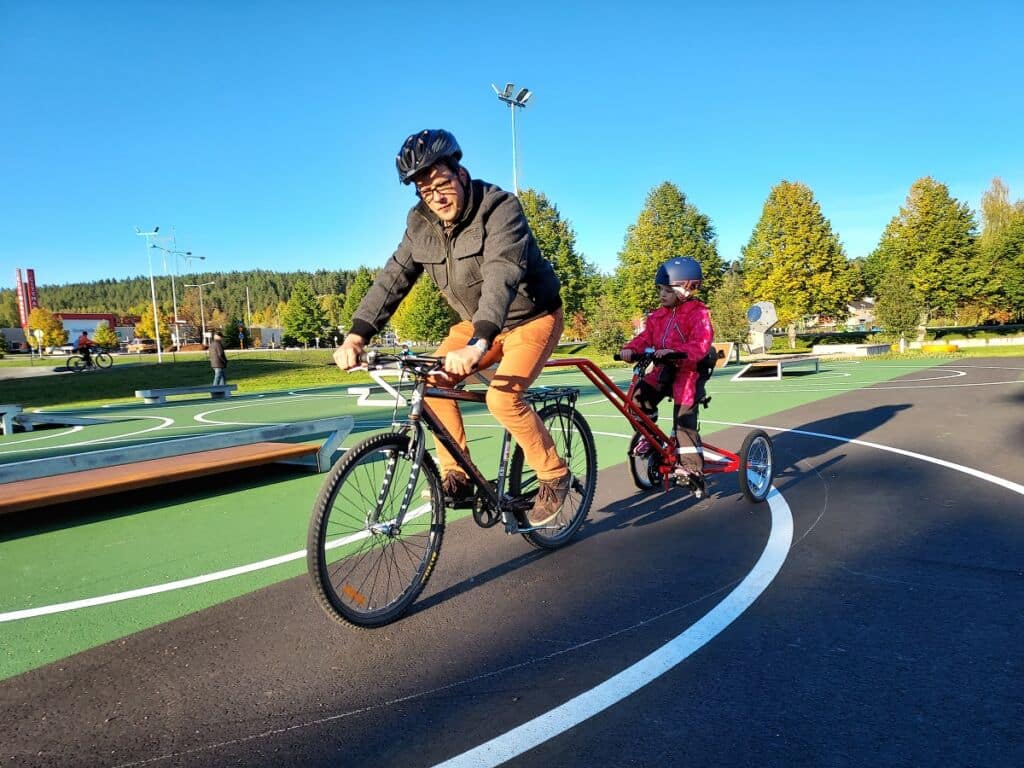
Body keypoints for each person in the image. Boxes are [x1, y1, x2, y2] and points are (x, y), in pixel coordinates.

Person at [334, 128, 570, 526]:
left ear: (460, 174)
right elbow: (393, 278)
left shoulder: (500, 208)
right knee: (432, 383)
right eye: (426, 192)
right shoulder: (419, 224)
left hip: (530, 318)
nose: (437, 197)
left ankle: (554, 475)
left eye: (442, 184)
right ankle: (456, 474)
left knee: (502, 399)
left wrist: (479, 342)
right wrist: (358, 334)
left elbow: (502, 274)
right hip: (474, 324)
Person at [618, 257, 714, 497]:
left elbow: (701, 345)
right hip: (662, 371)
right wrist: (630, 349)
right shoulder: (657, 317)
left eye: (668, 290)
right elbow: (644, 339)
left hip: (688, 372)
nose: (662, 294)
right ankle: (652, 440)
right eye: (660, 289)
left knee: (683, 423)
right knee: (635, 401)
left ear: (686, 288)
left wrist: (676, 352)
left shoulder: (698, 313)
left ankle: (692, 470)